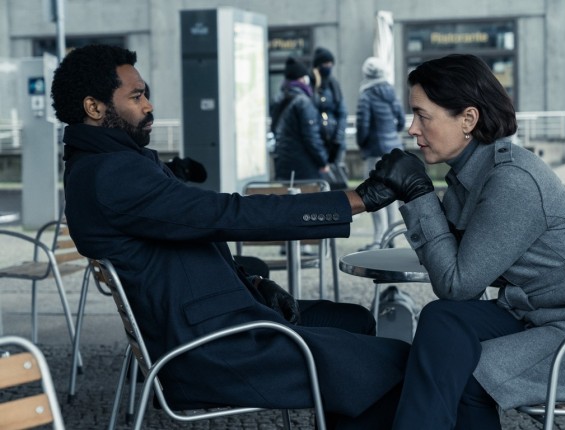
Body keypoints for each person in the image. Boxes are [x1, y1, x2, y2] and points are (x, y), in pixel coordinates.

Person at [51, 44, 409, 429]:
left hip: (222, 318)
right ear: (94, 108)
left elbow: (185, 244)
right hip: (214, 348)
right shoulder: (112, 174)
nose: (149, 106)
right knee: (396, 363)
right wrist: (357, 200)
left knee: (355, 320)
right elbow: (227, 214)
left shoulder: (102, 164)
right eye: (136, 97)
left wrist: (252, 283)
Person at [358, 53, 565, 429]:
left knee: (472, 374)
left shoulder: (511, 180)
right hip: (546, 314)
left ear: (468, 119)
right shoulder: (470, 173)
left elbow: (457, 284)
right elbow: (455, 276)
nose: (412, 129)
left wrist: (418, 193)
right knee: (444, 319)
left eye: (422, 116)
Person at [355, 57, 406, 251]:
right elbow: (401, 121)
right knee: (392, 192)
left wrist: (362, 144)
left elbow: (363, 126)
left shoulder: (366, 95)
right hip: (394, 149)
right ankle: (391, 236)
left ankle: (378, 239)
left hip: (375, 150)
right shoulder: (391, 91)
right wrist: (392, 134)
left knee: (373, 194)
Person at [272, 56, 330, 182]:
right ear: (302, 78)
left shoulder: (279, 99)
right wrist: (322, 161)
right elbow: (311, 136)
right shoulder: (303, 102)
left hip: (283, 163)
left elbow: (274, 129)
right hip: (304, 166)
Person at [311, 47, 349, 189]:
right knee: (320, 183)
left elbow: (342, 113)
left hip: (335, 143)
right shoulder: (311, 86)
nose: (329, 66)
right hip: (318, 143)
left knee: (337, 182)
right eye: (325, 64)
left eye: (330, 63)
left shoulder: (334, 85)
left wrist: (338, 137)